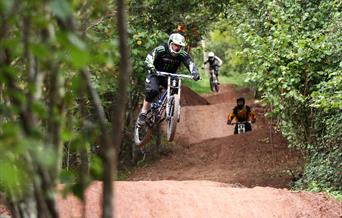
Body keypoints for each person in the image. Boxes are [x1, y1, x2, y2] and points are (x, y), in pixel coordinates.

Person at [137, 33, 201, 126]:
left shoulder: (182, 54)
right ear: (170, 43)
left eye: (179, 46)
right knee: (153, 90)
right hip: (155, 74)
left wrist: (194, 72)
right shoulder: (162, 49)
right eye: (175, 45)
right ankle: (143, 113)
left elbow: (189, 62)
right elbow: (150, 56)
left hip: (169, 76)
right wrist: (150, 66)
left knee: (175, 88)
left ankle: (169, 108)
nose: (176, 48)